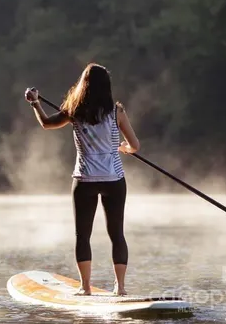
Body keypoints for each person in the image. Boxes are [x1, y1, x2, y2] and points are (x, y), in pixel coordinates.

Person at [24, 63, 140, 296]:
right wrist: (125, 148)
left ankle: (85, 288)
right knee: (117, 234)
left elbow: (47, 124)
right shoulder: (117, 112)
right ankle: (121, 288)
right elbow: (135, 146)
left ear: (83, 85)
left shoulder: (74, 111)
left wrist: (35, 103)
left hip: (85, 179)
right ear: (107, 86)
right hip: (114, 179)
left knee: (82, 235)